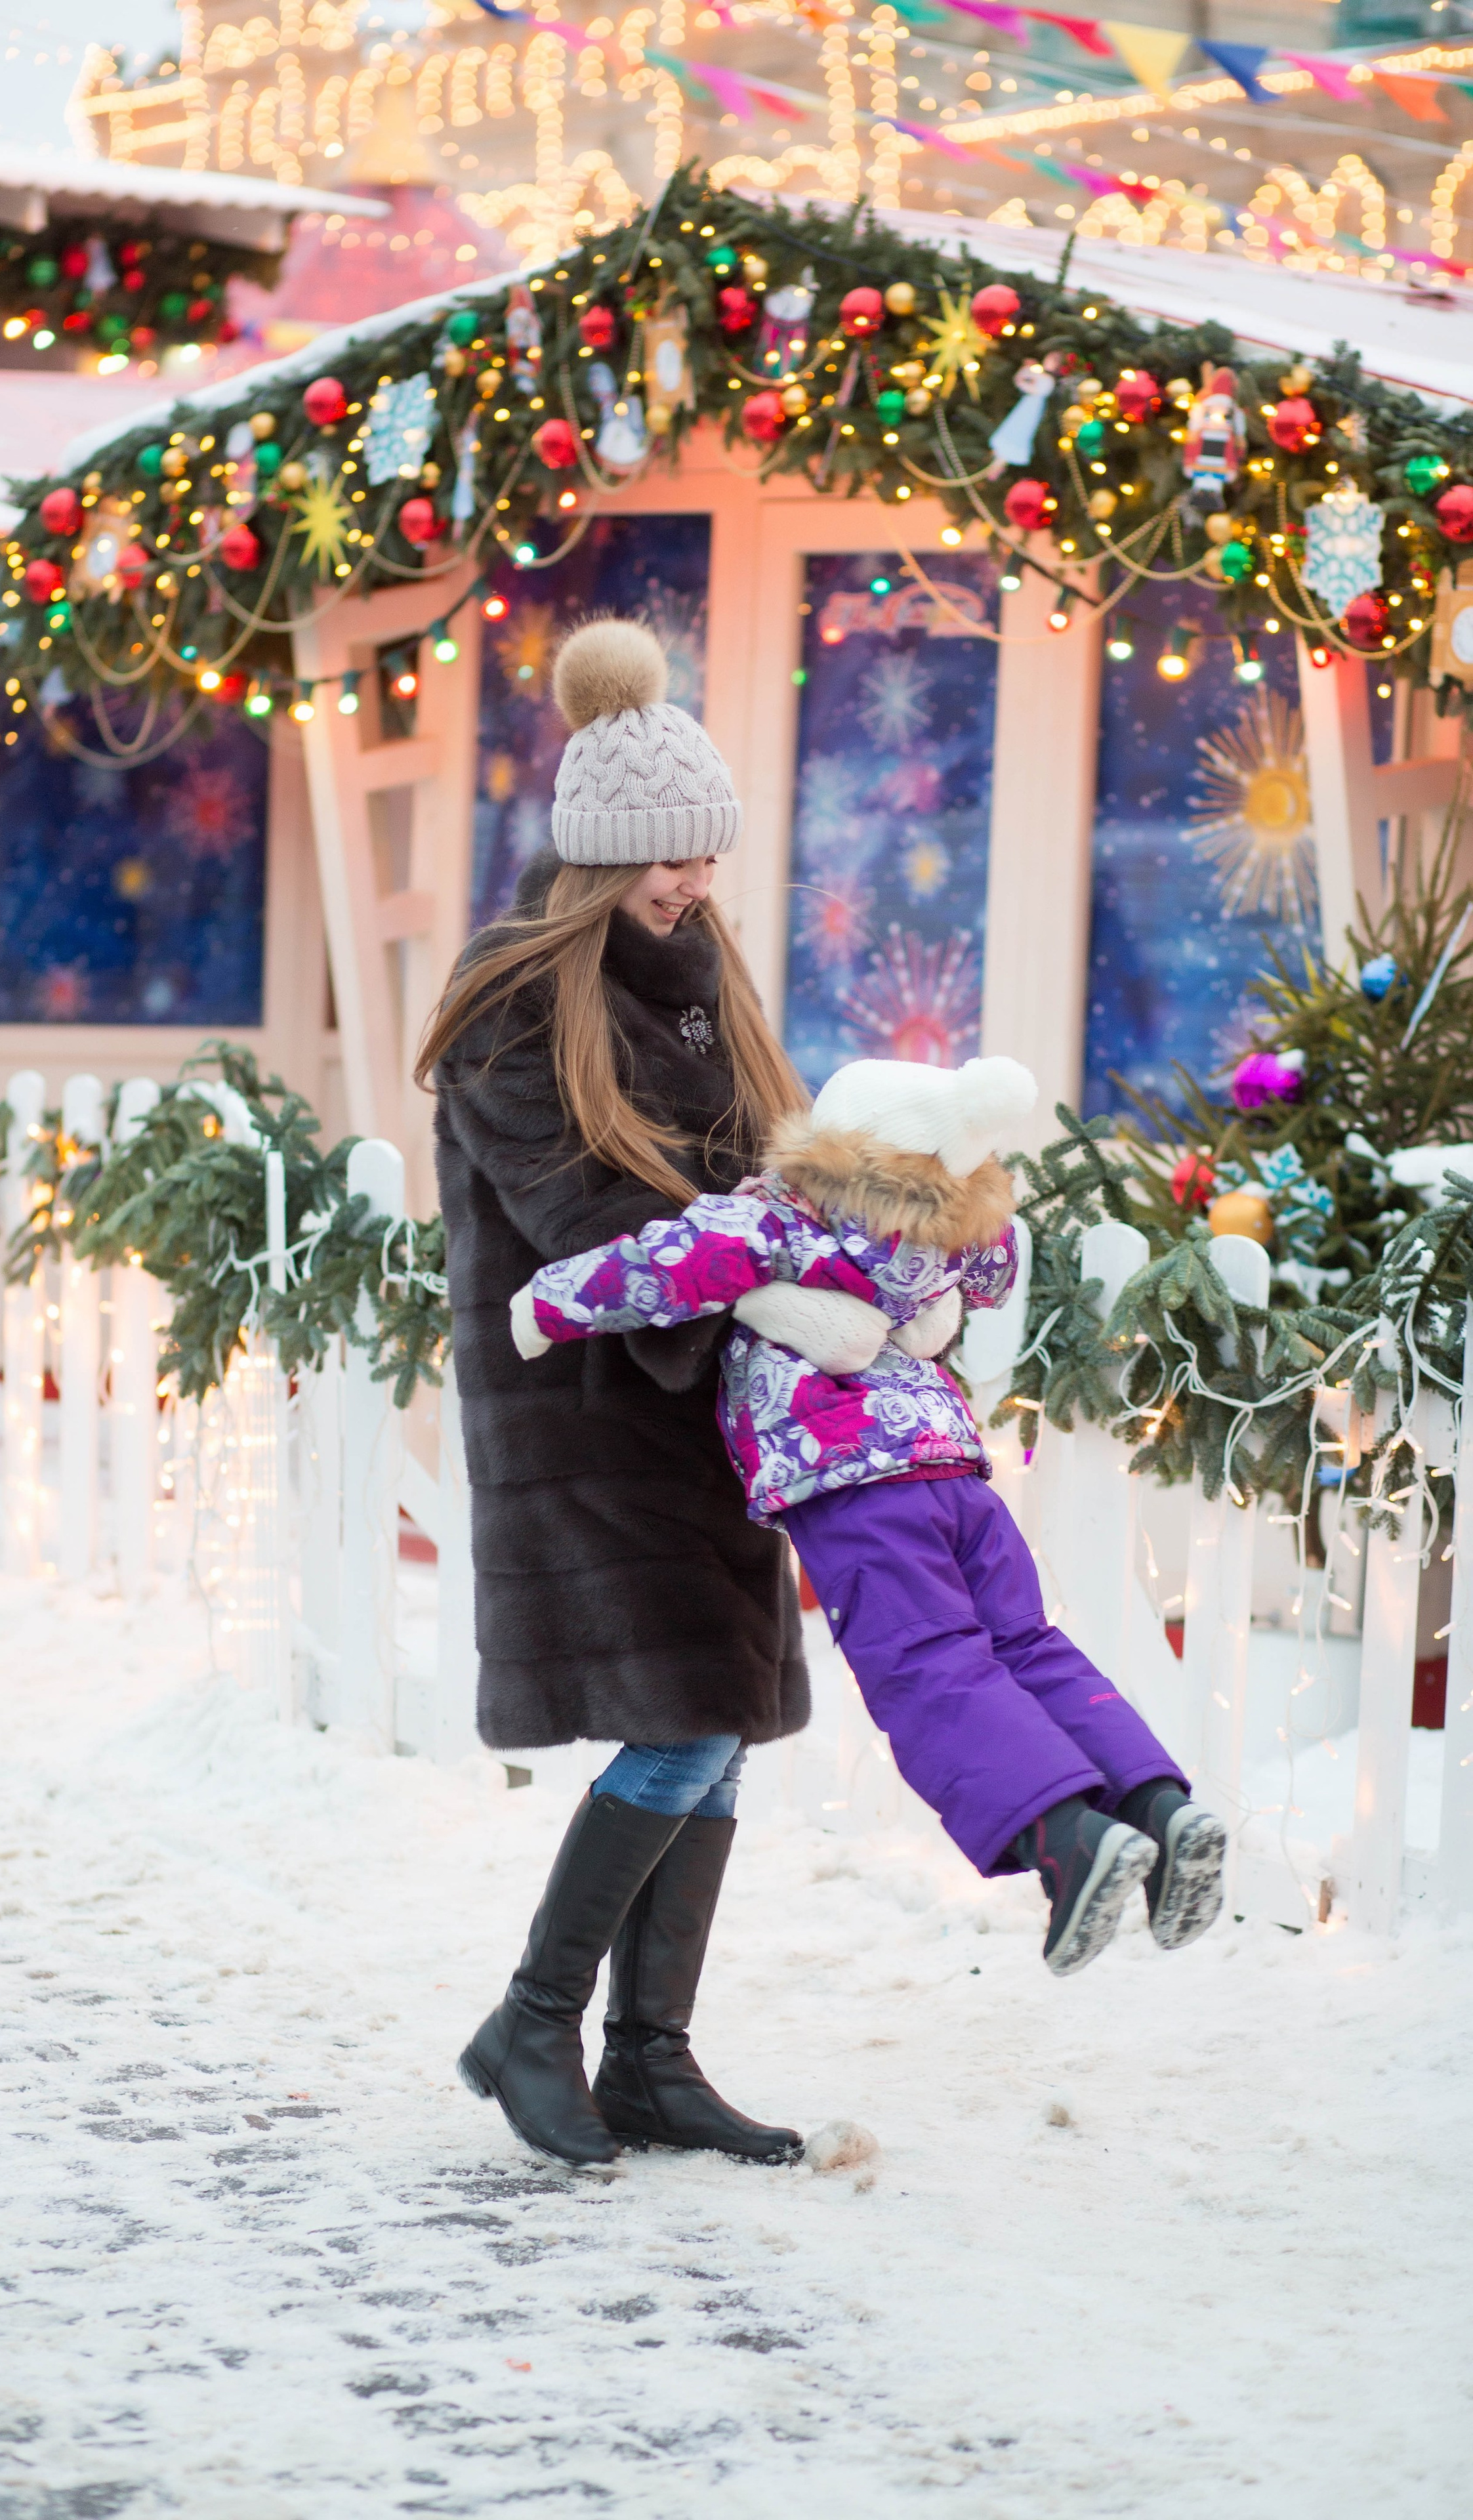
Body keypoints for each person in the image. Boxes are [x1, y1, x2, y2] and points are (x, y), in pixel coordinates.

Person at [417, 618, 847, 2172]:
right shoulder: (512, 1002)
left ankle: (649, 2060)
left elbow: (762, 1172)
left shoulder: (699, 977)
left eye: (706, 853)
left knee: (714, 1728)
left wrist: (832, 1256)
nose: (692, 882)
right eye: (667, 858)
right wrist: (759, 1280)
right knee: (680, 1724)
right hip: (589, 1409)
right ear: (600, 856)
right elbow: (579, 1220)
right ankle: (529, 2024)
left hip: (711, 1400)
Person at [509, 1051, 1230, 1978]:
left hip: (858, 1485)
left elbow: (660, 1268)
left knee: (930, 1665)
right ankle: (1160, 1810)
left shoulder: (782, 1216)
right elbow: (996, 1269)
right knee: (1026, 1645)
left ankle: (1066, 1840)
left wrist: (543, 1304)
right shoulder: (952, 1237)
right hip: (956, 1474)